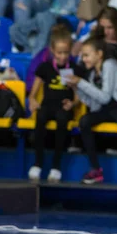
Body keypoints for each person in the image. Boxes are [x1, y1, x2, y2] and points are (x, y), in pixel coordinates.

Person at [65, 37, 117, 185]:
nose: (84, 59)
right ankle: (95, 169)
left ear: (99, 54)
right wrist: (76, 88)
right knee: (84, 121)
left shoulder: (110, 65)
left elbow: (105, 97)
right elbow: (92, 102)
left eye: (87, 55)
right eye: (82, 56)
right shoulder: (92, 75)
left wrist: (81, 83)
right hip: (104, 110)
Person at [27, 25, 80, 184]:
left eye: (66, 52)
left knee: (62, 120)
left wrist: (72, 103)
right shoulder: (45, 67)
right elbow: (33, 92)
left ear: (70, 51)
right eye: (59, 53)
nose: (63, 57)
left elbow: (78, 95)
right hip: (47, 105)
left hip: (64, 108)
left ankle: (56, 166)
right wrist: (32, 100)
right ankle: (38, 163)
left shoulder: (74, 69)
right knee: (41, 117)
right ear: (52, 50)